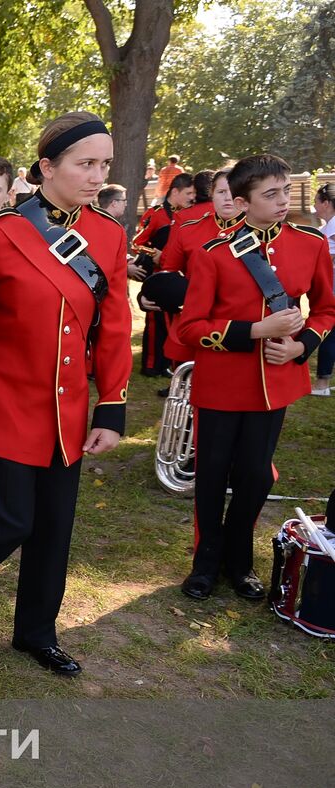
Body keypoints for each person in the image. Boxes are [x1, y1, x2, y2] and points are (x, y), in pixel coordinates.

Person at [0, 111, 131, 677]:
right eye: (85, 163)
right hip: (1, 403)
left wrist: (111, 404)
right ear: (47, 167)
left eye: (103, 164)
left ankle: (36, 631)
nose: (97, 175)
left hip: (65, 410)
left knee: (54, 528)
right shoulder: (1, 234)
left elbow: (112, 326)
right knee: (8, 520)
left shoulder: (109, 236)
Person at [173, 154, 335, 600]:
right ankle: (205, 562)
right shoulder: (214, 254)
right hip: (222, 384)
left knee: (256, 476)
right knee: (210, 474)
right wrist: (254, 332)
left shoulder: (310, 243)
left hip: (275, 384)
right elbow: (188, 327)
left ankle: (239, 561)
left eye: (285, 191)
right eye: (271, 194)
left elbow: (325, 309)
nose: (283, 200)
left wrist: (303, 346)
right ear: (242, 202)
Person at [144, 169, 244, 377]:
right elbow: (168, 271)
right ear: (211, 194)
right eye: (221, 192)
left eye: (234, 192)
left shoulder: (262, 231)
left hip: (243, 325)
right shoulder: (189, 229)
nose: (228, 198)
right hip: (195, 323)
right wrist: (150, 293)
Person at [133, 172, 196, 375]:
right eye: (188, 193)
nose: (192, 198)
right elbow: (136, 243)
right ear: (175, 191)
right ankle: (151, 365)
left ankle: (170, 363)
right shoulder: (156, 213)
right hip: (157, 275)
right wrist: (155, 254)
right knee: (155, 320)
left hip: (178, 275)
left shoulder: (190, 215)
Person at [313, 182, 335, 396]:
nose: (314, 207)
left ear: (326, 203)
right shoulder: (325, 229)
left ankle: (322, 384)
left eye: (316, 202)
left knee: (329, 333)